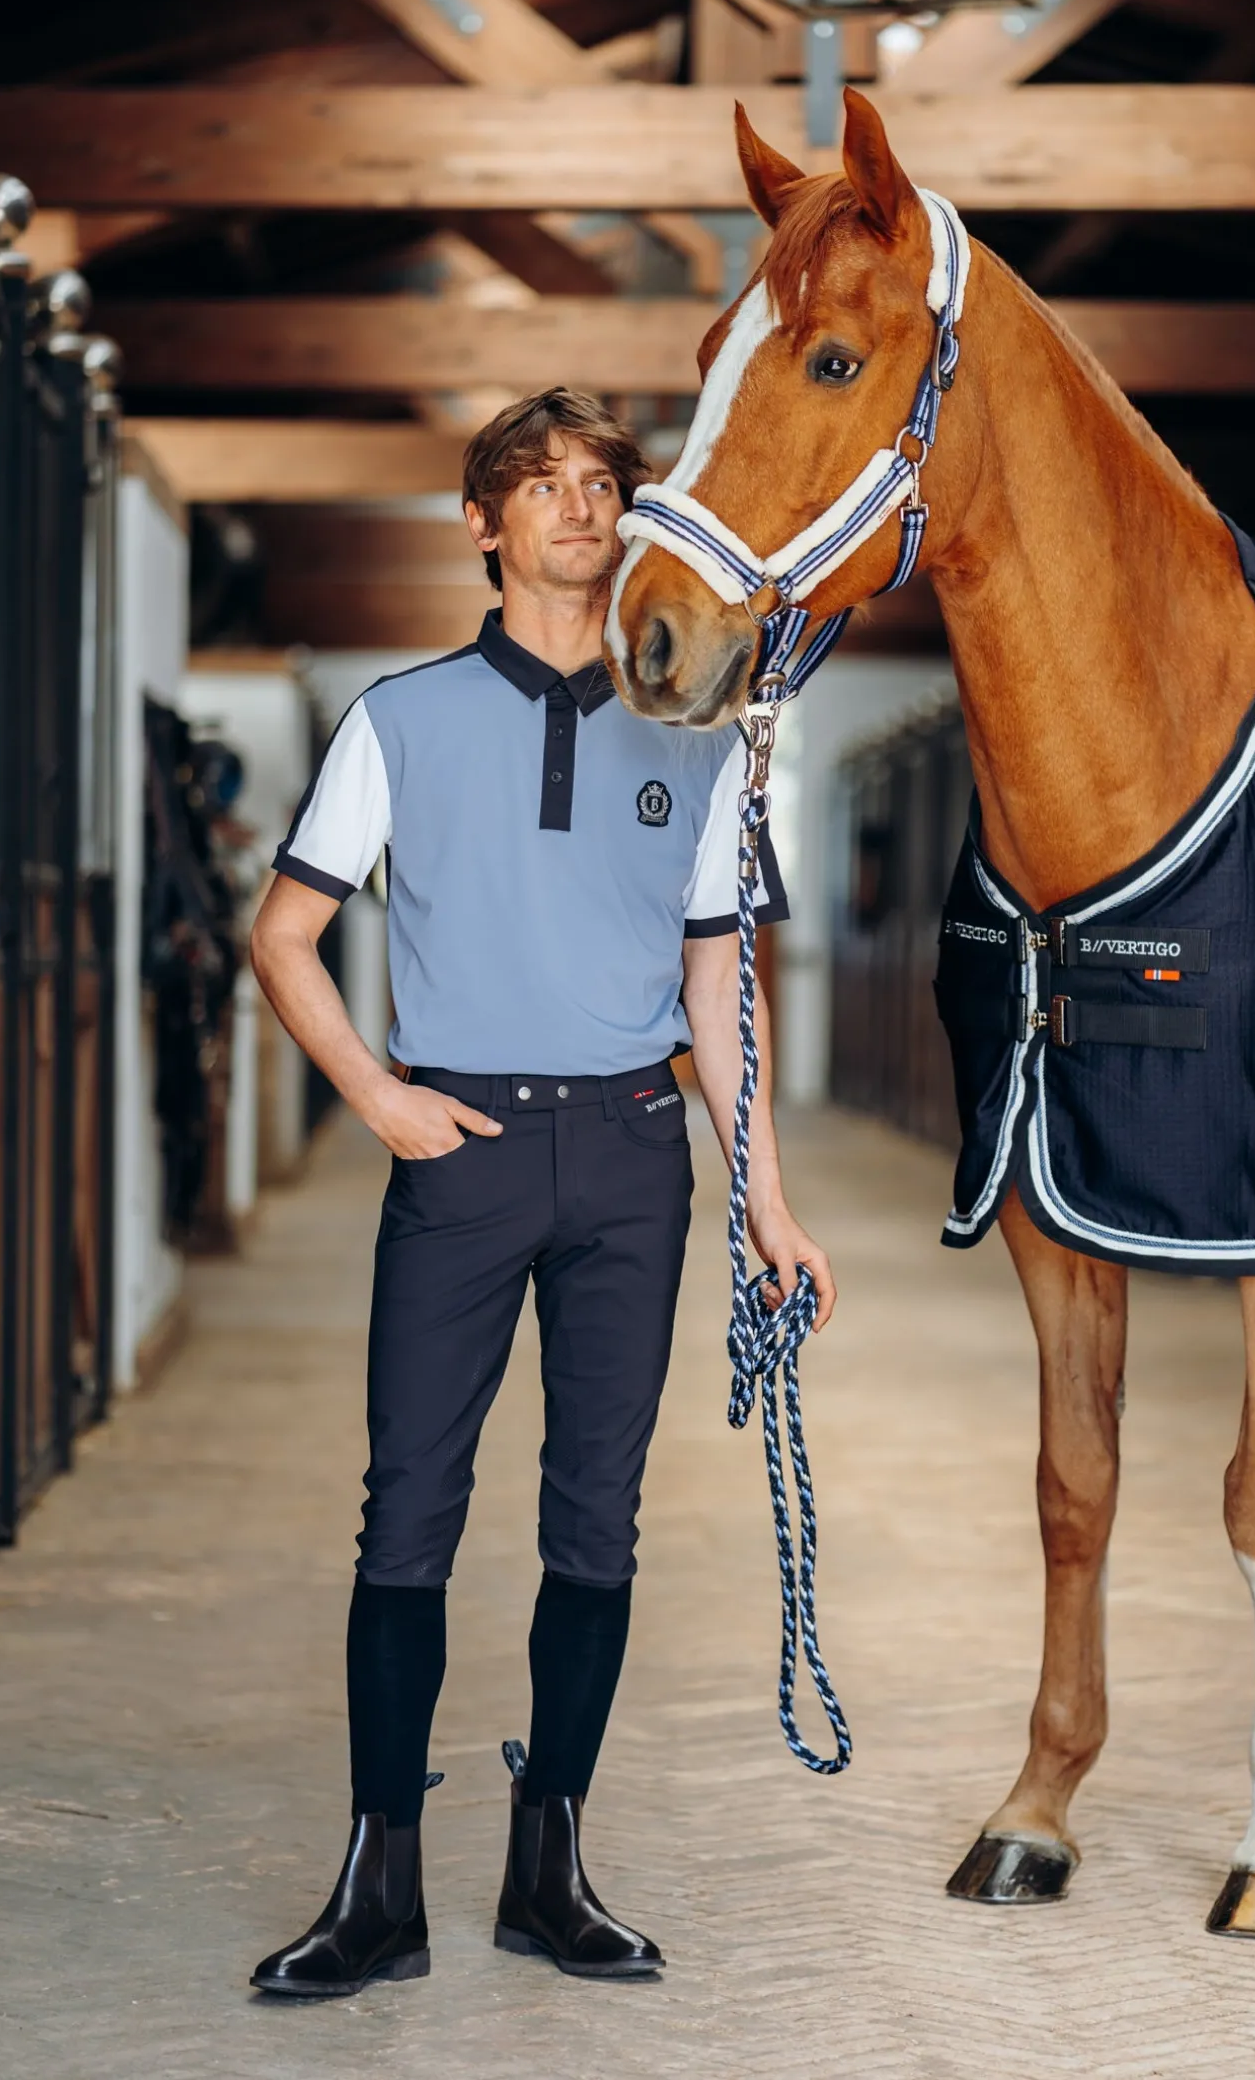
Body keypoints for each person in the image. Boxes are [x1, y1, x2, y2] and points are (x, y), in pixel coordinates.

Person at [244, 386, 834, 1996]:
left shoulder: (695, 739)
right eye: (542, 483)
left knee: (597, 1517)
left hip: (634, 1159)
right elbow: (283, 936)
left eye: (600, 484)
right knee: (407, 1515)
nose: (578, 506)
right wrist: (377, 1095)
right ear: (483, 522)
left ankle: (548, 1864)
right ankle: (378, 1884)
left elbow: (720, 990)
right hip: (463, 1155)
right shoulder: (402, 719)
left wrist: (766, 1198)